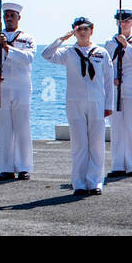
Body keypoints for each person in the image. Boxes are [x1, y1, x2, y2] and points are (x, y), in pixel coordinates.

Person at [43, 17, 114, 196]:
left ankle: (95, 182)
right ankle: (79, 183)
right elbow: (46, 54)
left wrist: (109, 104)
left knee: (96, 144)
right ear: (74, 31)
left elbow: (108, 81)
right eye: (79, 29)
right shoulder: (68, 53)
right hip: (75, 102)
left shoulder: (101, 52)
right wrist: (62, 38)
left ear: (92, 30)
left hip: (97, 102)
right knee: (79, 144)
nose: (82, 32)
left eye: (86, 28)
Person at [0, 1, 35, 180]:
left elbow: (27, 58)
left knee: (22, 127)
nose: (9, 19)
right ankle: (6, 167)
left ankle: (24, 167)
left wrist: (8, 48)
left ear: (18, 17)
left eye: (12, 15)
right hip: (2, 87)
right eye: (6, 15)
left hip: (21, 87)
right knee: (4, 128)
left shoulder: (27, 38)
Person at [105, 7, 132, 179]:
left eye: (126, 21)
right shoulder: (109, 42)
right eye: (120, 21)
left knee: (131, 127)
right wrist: (112, 78)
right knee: (117, 129)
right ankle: (118, 165)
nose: (123, 24)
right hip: (116, 90)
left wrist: (126, 45)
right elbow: (107, 65)